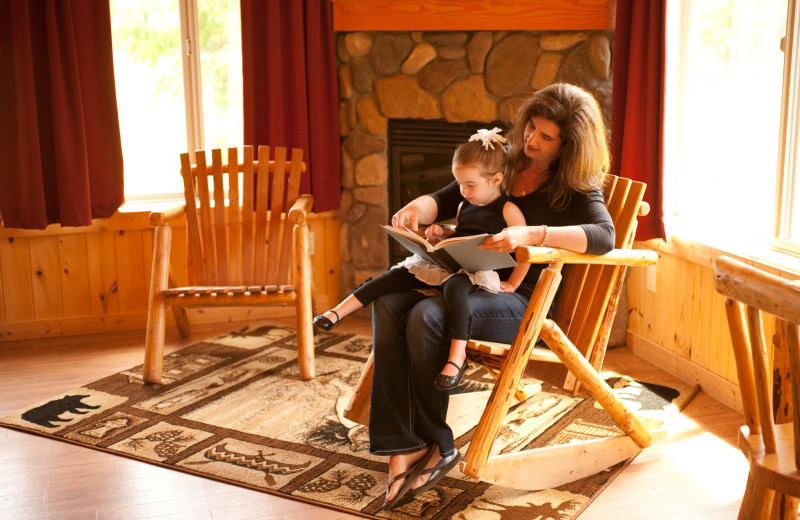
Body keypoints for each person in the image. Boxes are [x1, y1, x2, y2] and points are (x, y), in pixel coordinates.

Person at [370, 83, 616, 510]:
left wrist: (533, 234)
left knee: (427, 314)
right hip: (468, 283)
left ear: (570, 145)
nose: (531, 140)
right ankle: (403, 440)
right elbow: (448, 195)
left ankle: (436, 441)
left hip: (520, 297)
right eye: (531, 128)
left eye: (546, 137)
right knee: (390, 302)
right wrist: (417, 208)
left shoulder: (577, 185)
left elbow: (604, 236)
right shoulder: (506, 160)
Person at [314, 128, 530, 391]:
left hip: (474, 272)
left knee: (455, 291)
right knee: (394, 276)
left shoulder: (508, 210)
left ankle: (456, 356)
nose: (462, 191)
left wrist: (514, 284)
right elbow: (463, 233)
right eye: (459, 183)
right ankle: (337, 313)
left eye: (470, 185)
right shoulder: (465, 204)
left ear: (496, 179)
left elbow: (524, 251)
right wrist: (442, 233)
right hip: (450, 264)